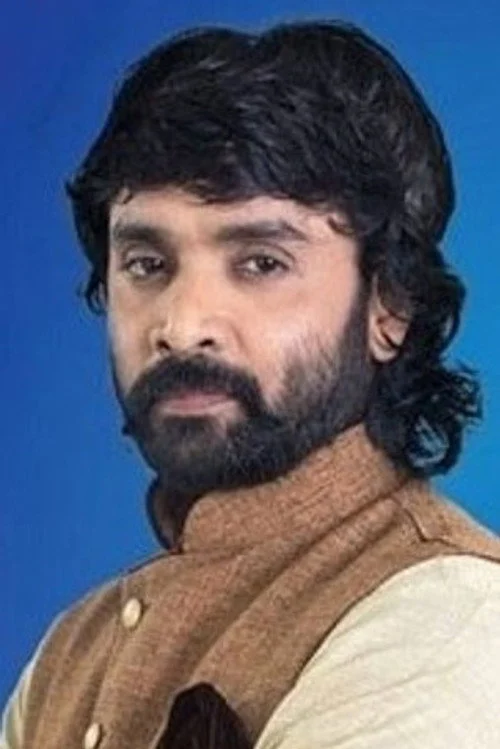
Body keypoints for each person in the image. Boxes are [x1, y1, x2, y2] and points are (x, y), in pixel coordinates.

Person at [2, 18, 500, 749]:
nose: (182, 324)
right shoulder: (72, 653)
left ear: (390, 307)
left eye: (261, 262)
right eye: (147, 264)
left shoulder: (446, 622)